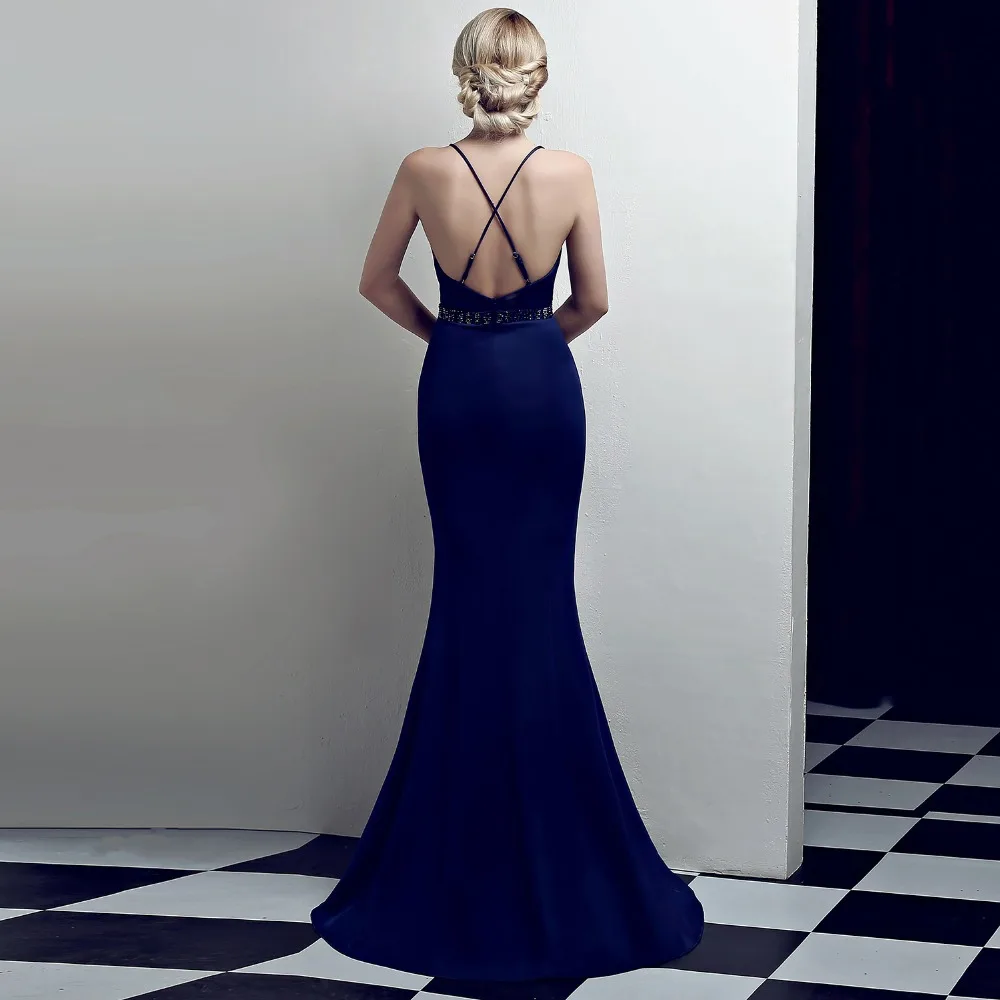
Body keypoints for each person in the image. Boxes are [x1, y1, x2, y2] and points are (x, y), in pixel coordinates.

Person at [310, 7, 704, 982]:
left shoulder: (422, 168)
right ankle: (560, 850)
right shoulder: (570, 173)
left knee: (466, 603)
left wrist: (456, 343)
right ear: (535, 77)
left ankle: (452, 856)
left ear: (465, 74)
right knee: (538, 606)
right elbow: (593, 302)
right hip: (540, 388)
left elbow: (376, 283)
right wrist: (525, 347)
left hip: (455, 384)